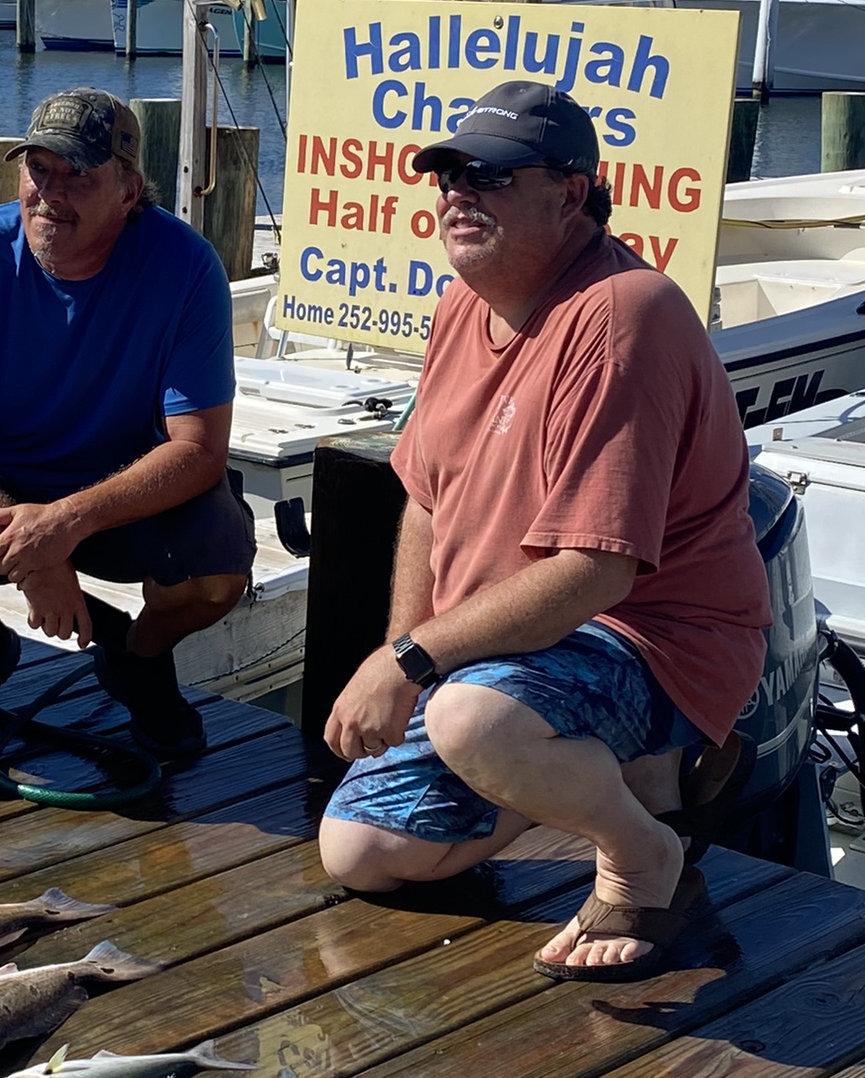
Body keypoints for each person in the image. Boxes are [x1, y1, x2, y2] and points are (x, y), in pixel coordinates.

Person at [318, 80, 770, 981]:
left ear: (570, 193)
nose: (456, 193)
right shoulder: (458, 306)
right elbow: (425, 498)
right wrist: (405, 651)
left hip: (651, 634)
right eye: (445, 174)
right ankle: (628, 777)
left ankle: (642, 856)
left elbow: (597, 573)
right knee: (359, 855)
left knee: (475, 717)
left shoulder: (621, 313)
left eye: (487, 176)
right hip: (505, 649)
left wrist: (411, 668)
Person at [0, 86, 255, 760]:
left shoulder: (187, 267)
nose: (51, 192)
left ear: (131, 190)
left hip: (120, 491)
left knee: (219, 564)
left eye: (79, 175)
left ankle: (139, 657)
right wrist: (34, 560)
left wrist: (68, 522)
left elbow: (199, 449)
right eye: (38, 169)